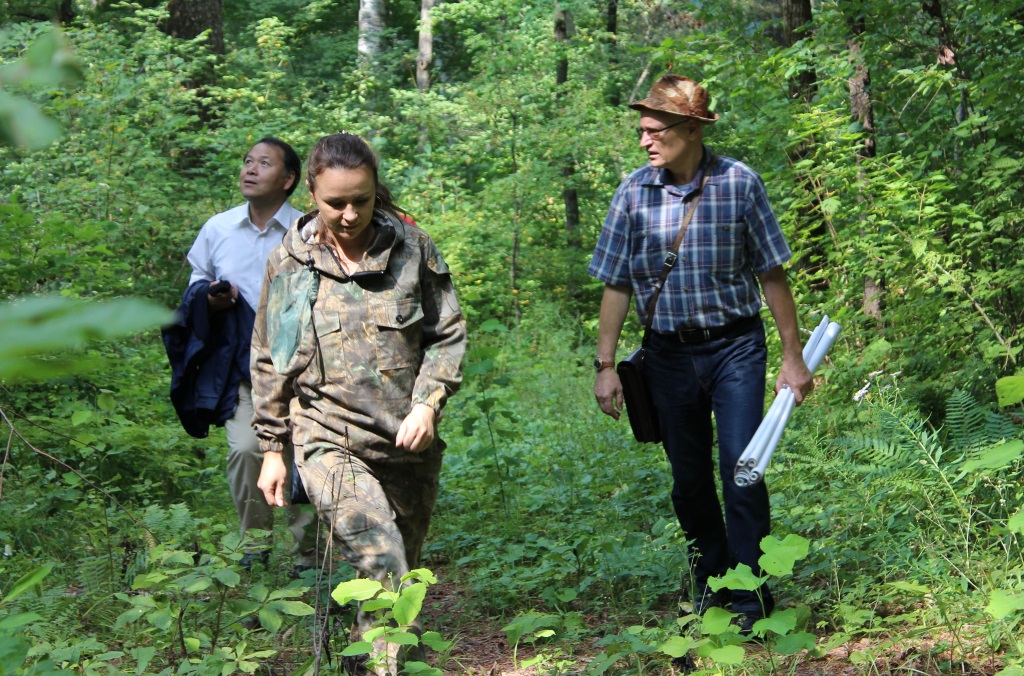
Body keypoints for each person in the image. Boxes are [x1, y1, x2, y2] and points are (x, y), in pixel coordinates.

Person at [588, 75, 814, 632]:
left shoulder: (739, 184)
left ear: (692, 129)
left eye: (654, 130)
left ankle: (751, 595)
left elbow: (772, 272)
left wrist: (794, 356)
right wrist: (605, 366)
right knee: (688, 480)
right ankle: (712, 582)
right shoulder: (631, 192)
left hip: (736, 347)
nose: (644, 140)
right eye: (640, 130)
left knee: (743, 469)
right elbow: (615, 285)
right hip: (666, 357)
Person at [251, 133, 466, 673]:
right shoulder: (290, 263)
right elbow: (269, 358)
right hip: (326, 440)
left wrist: (428, 403)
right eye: (335, 203)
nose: (349, 214)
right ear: (312, 196)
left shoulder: (414, 250)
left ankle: (365, 666)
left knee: (401, 585)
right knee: (382, 561)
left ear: (377, 192)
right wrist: (273, 448)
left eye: (361, 200)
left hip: (406, 443)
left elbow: (448, 334)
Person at [182, 136, 315, 569]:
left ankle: (307, 558)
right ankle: (254, 550)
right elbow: (196, 280)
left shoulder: (309, 231)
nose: (250, 169)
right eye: (247, 161)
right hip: (244, 370)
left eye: (264, 163)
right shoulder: (218, 228)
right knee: (244, 450)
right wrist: (210, 297)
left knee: (305, 456)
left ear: (289, 179)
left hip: (306, 369)